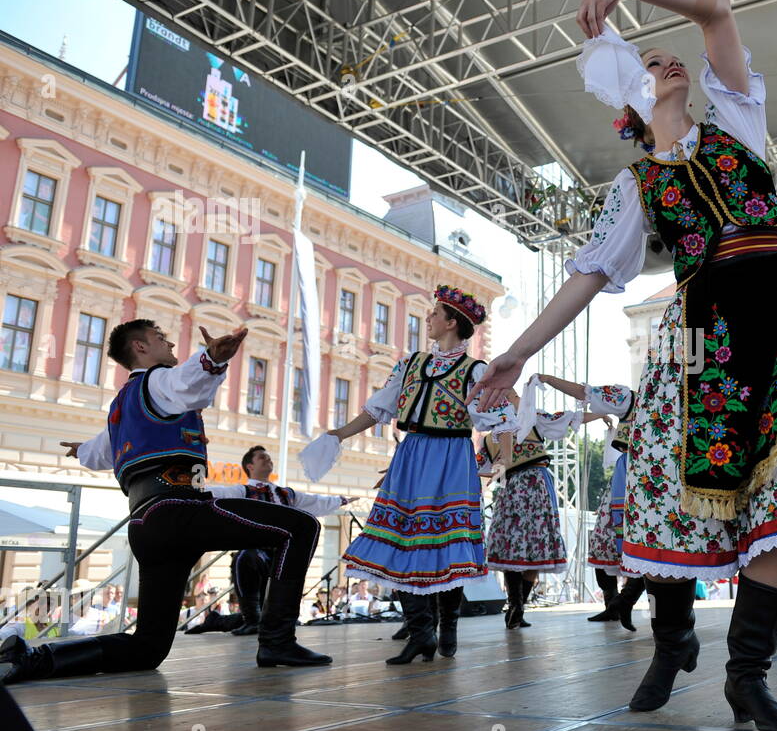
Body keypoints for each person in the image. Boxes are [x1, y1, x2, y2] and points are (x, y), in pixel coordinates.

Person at [473, 0, 777, 731]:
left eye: (671, 60)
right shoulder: (637, 186)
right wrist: (515, 355)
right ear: (632, 104)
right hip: (699, 333)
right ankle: (673, 635)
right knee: (665, 489)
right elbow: (584, 277)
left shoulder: (739, 122)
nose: (670, 63)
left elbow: (719, 9)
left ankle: (747, 675)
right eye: (651, 68)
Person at [0, 320, 330, 684]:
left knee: (148, 648)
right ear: (140, 348)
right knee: (300, 526)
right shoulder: (156, 381)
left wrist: (81, 451)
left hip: (145, 524)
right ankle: (277, 641)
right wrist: (212, 360)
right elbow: (186, 386)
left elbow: (98, 454)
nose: (170, 342)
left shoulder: (120, 407)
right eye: (160, 338)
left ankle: (32, 658)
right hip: (180, 510)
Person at [310, 287, 514, 664]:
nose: (428, 318)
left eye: (435, 313)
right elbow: (378, 410)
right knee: (402, 543)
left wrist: (500, 461)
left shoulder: (476, 371)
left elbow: (500, 422)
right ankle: (421, 633)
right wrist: (340, 434)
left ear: (452, 322)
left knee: (445, 546)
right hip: (412, 454)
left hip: (452, 457)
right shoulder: (410, 364)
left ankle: (448, 622)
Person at [478, 390, 608, 629]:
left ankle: (516, 606)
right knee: (528, 552)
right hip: (529, 486)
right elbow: (569, 418)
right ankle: (517, 607)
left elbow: (570, 417)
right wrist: (602, 414)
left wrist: (601, 413)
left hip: (520, 489)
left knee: (514, 551)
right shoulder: (497, 432)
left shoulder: (530, 418)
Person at [531, 373, 646, 632]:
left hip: (655, 478)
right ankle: (614, 605)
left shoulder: (679, 403)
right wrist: (549, 379)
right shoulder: (629, 398)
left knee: (654, 546)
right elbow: (586, 392)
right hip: (633, 476)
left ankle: (631, 604)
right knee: (608, 542)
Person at [202, 445, 355, 636]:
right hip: (256, 554)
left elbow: (313, 501)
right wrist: (191, 490)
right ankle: (250, 621)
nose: (268, 460)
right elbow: (217, 493)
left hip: (282, 554)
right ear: (249, 466)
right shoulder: (242, 491)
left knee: (261, 610)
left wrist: (341, 500)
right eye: (262, 458)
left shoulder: (286, 494)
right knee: (244, 558)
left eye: (268, 458)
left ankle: (224, 621)